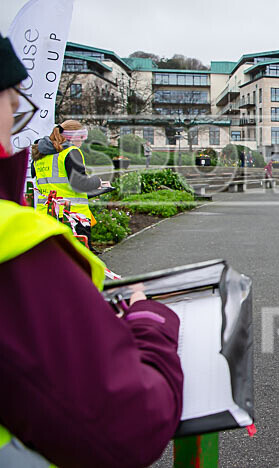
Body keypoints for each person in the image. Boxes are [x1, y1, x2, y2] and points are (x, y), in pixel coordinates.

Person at [0, 33, 183, 467]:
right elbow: (126, 424)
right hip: (67, 215)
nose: (15, 125)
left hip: (48, 210)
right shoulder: (15, 242)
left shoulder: (42, 158)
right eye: (12, 108)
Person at [31, 119, 111, 250]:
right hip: (72, 216)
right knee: (80, 261)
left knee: (55, 257)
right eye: (82, 136)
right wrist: (98, 182)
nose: (83, 141)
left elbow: (47, 181)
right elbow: (80, 184)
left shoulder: (40, 154)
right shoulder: (71, 152)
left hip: (46, 216)